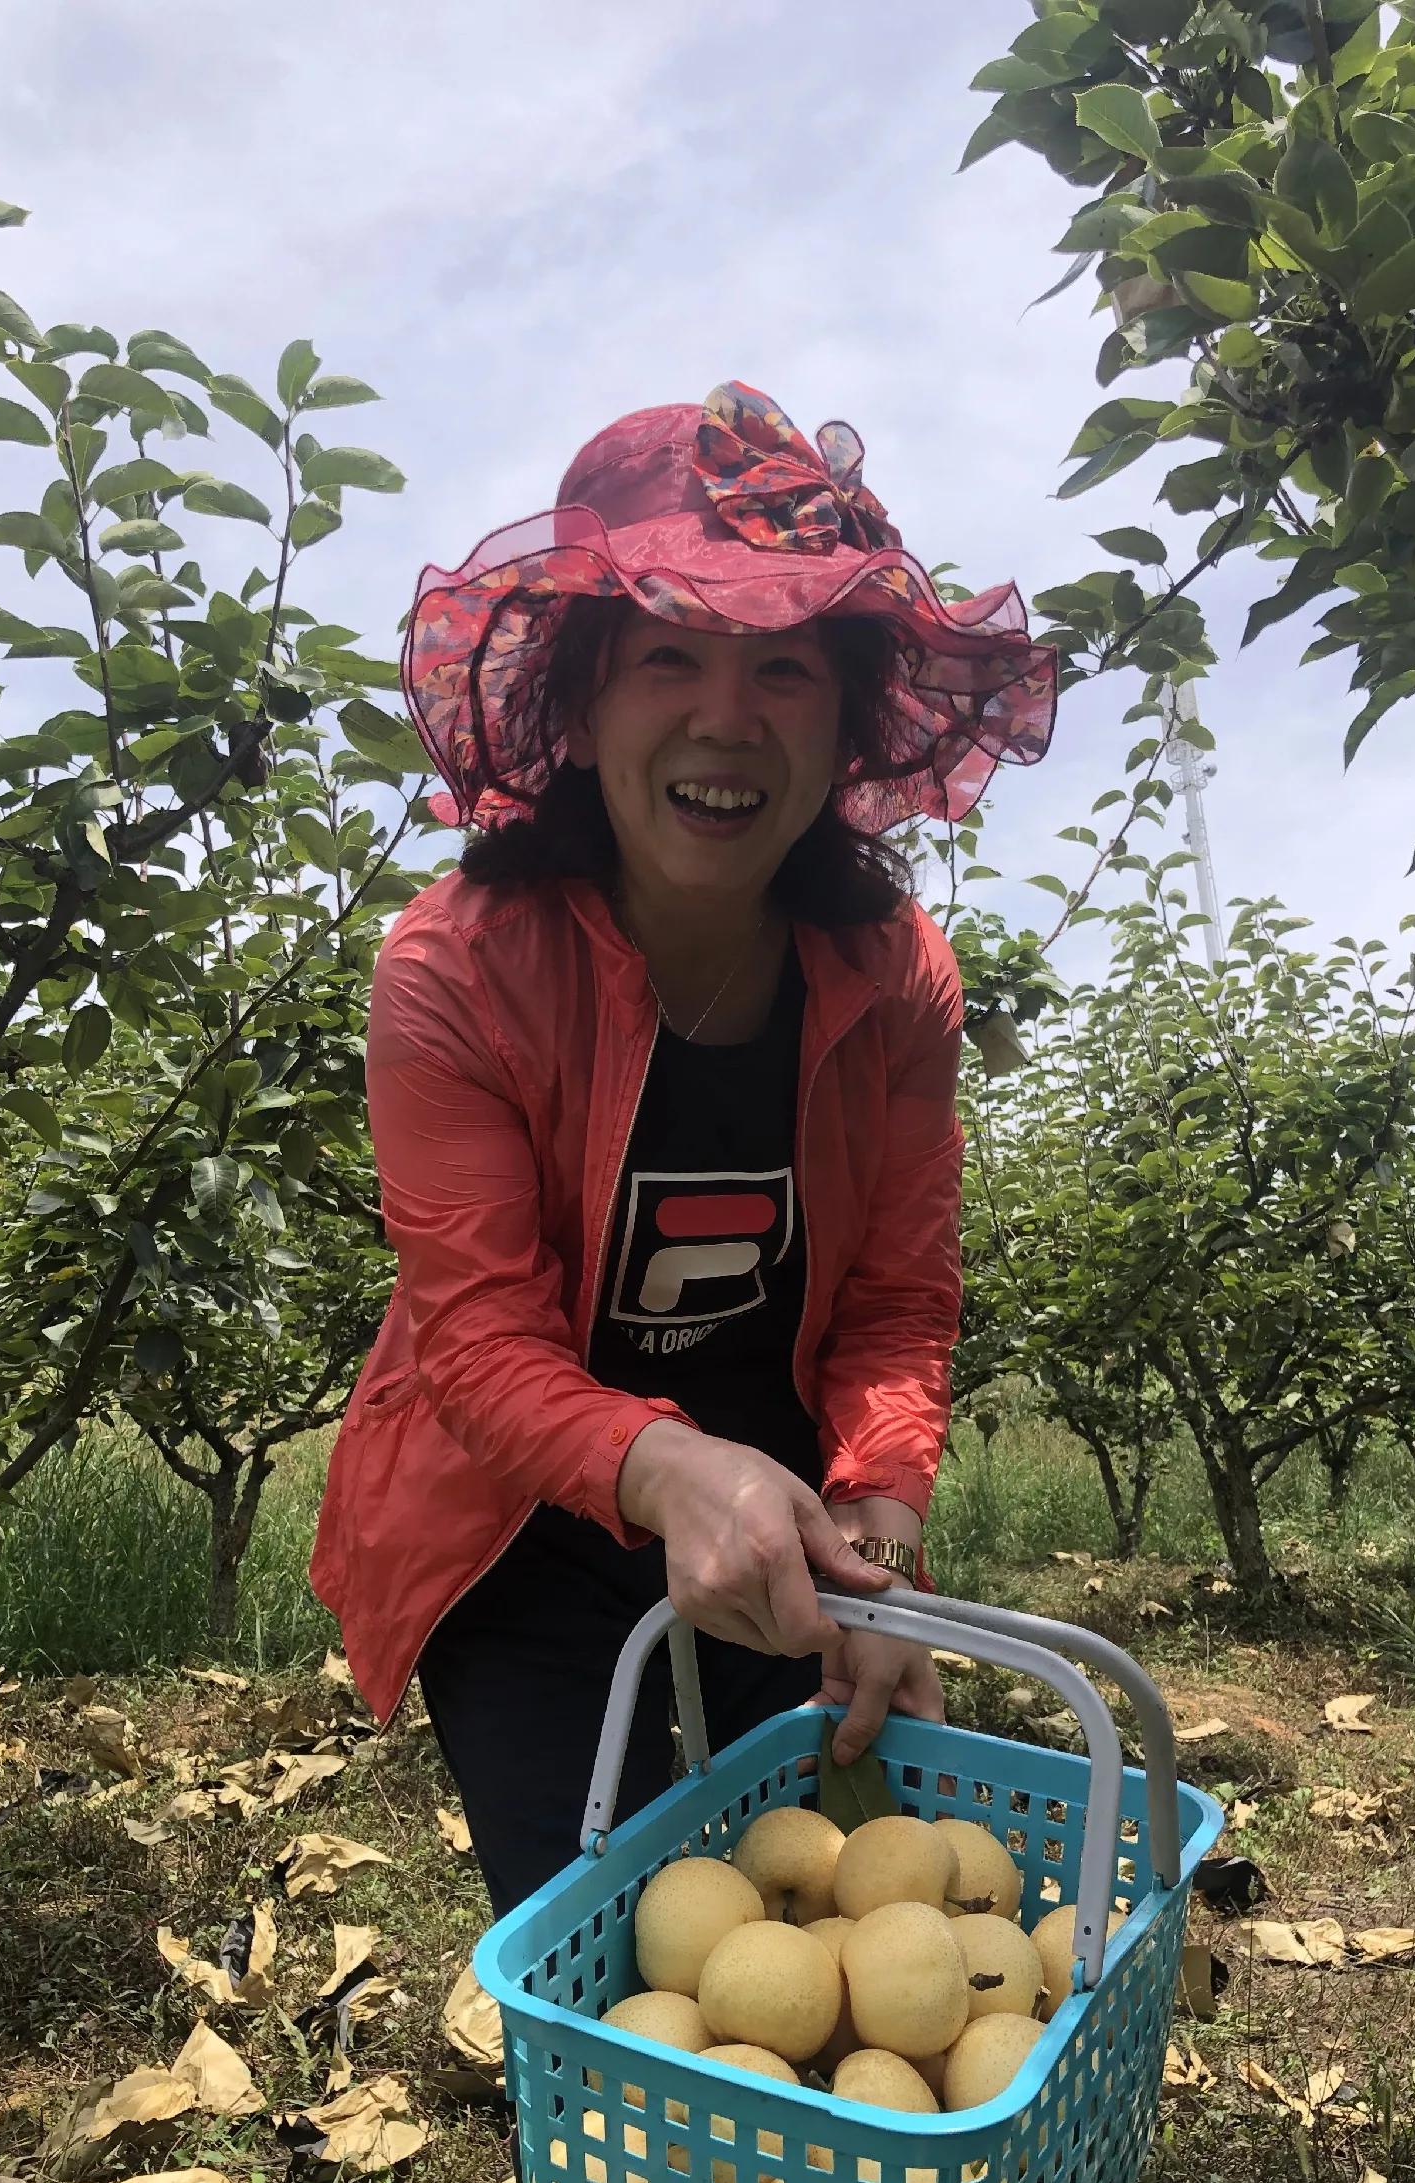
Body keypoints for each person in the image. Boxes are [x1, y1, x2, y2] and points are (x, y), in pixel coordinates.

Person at [309, 379, 1057, 1919]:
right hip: (520, 1519)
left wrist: (881, 1525)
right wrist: (663, 1468)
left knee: (820, 1911)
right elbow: (476, 1342)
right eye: (666, 655)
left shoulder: (892, 978)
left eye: (784, 666)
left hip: (781, 1505)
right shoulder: (458, 970)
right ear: (582, 707)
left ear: (846, 723)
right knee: (611, 1926)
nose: (726, 718)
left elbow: (896, 1300)